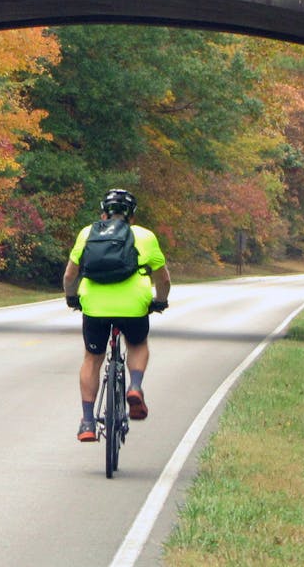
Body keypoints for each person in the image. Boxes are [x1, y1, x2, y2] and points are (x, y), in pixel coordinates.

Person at [62, 188, 171, 442]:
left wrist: (71, 297)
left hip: (95, 306)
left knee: (92, 358)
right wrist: (160, 301)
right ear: (132, 216)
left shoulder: (87, 233)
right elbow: (163, 278)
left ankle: (88, 421)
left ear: (103, 213)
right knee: (137, 343)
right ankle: (134, 387)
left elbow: (69, 275)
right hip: (134, 306)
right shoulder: (145, 236)